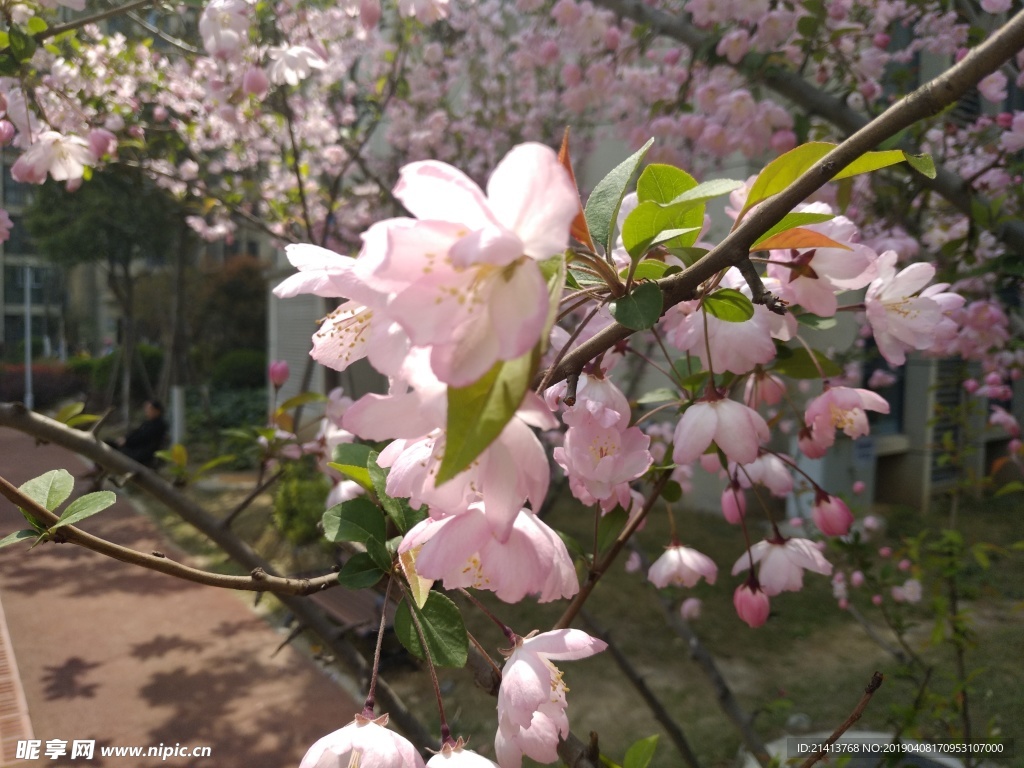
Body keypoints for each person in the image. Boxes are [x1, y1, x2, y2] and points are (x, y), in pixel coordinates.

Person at [112, 399, 169, 466]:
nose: (147, 411)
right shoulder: (148, 423)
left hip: (144, 453)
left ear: (157, 410)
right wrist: (125, 438)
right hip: (137, 449)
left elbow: (143, 437)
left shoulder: (159, 425)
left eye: (149, 409)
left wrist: (127, 441)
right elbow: (137, 432)